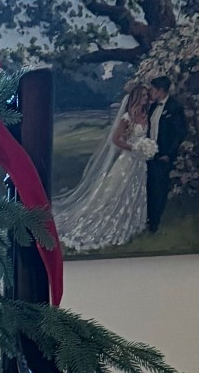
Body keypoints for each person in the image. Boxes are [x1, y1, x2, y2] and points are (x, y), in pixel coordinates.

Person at [54, 80, 155, 253]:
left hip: (140, 163)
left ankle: (132, 224)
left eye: (147, 95)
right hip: (128, 160)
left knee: (136, 191)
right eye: (144, 95)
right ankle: (101, 222)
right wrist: (135, 147)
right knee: (116, 192)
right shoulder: (127, 118)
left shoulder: (146, 114)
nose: (146, 98)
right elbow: (116, 140)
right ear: (136, 97)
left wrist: (146, 148)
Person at [146, 74, 188, 233]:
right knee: (149, 187)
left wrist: (169, 154)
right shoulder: (151, 107)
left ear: (160, 90)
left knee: (159, 188)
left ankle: (154, 223)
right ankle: (148, 218)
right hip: (148, 154)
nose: (150, 92)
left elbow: (179, 133)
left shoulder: (175, 107)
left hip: (163, 156)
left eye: (152, 89)